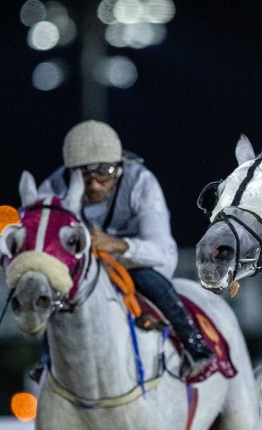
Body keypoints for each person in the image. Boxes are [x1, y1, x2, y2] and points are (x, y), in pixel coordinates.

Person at [39, 120, 214, 376]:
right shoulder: (53, 188)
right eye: (84, 176)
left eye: (104, 173)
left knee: (150, 280)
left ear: (119, 166)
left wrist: (119, 246)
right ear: (70, 174)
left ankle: (193, 342)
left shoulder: (141, 182)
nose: (95, 185)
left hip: (132, 264)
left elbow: (164, 252)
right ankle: (46, 362)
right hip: (80, 267)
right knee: (54, 292)